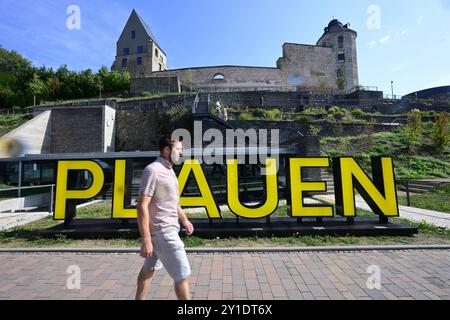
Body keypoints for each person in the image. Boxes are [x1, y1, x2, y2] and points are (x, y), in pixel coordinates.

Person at [135, 137, 194, 300]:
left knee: (148, 271)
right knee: (182, 275)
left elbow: (170, 201)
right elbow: (142, 205)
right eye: (178, 149)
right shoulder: (153, 170)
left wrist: (184, 219)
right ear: (166, 151)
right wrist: (146, 239)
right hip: (164, 233)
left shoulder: (168, 170)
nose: (181, 153)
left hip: (162, 232)